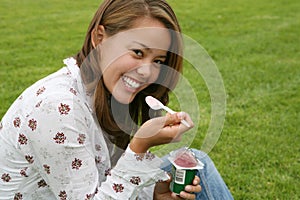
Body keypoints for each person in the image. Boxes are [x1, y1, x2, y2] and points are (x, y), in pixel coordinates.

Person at [0, 0, 233, 199]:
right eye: (138, 53)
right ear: (100, 38)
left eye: (158, 61)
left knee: (192, 163)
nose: (147, 72)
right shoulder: (58, 109)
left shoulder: (104, 93)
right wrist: (140, 146)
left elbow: (108, 177)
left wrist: (152, 195)